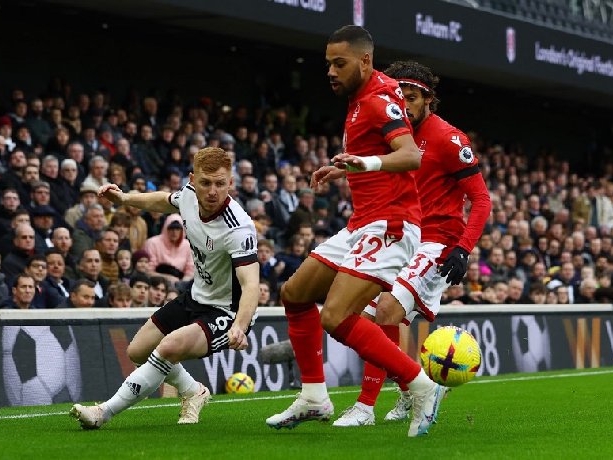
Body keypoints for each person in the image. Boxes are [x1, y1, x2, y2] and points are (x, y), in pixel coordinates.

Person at [266, 26, 442, 438]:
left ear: (364, 61)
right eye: (327, 62)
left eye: (339, 63)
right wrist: (346, 165)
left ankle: (421, 386)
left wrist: (368, 164)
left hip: (391, 224)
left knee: (336, 315)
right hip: (363, 221)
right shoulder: (361, 97)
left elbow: (410, 156)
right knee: (295, 294)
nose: (330, 70)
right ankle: (313, 396)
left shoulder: (379, 101)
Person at [331, 60, 491, 427]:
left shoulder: (451, 140)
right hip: (401, 234)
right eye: (399, 96)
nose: (404, 103)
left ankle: (365, 407)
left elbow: (481, 199)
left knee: (385, 312)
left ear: (429, 100)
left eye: (413, 97)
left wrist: (464, 248)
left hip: (437, 242)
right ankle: (411, 388)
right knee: (370, 316)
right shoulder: (392, 133)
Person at [70, 147, 259, 430]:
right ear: (193, 180)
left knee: (168, 347)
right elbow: (163, 200)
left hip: (228, 310)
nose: (212, 191)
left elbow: (252, 284)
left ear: (230, 183)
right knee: (137, 351)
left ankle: (103, 412)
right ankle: (193, 391)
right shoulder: (188, 196)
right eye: (205, 182)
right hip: (197, 296)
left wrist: (240, 326)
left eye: (220, 183)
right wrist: (124, 198)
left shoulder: (238, 227)